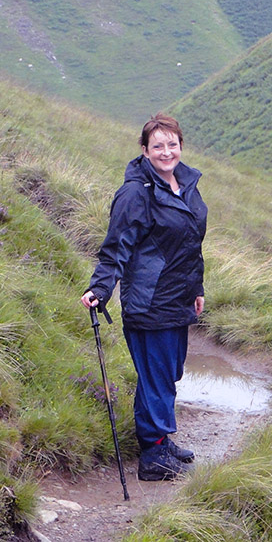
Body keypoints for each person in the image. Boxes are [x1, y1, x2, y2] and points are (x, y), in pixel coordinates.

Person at [80, 113, 207, 481]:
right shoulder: (136, 193)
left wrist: (196, 289)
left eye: (172, 144)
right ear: (145, 150)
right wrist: (101, 288)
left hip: (178, 298)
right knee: (156, 376)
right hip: (149, 301)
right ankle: (152, 458)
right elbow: (115, 247)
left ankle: (161, 441)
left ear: (181, 146)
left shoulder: (187, 184)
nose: (166, 151)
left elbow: (190, 244)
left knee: (167, 373)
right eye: (158, 146)